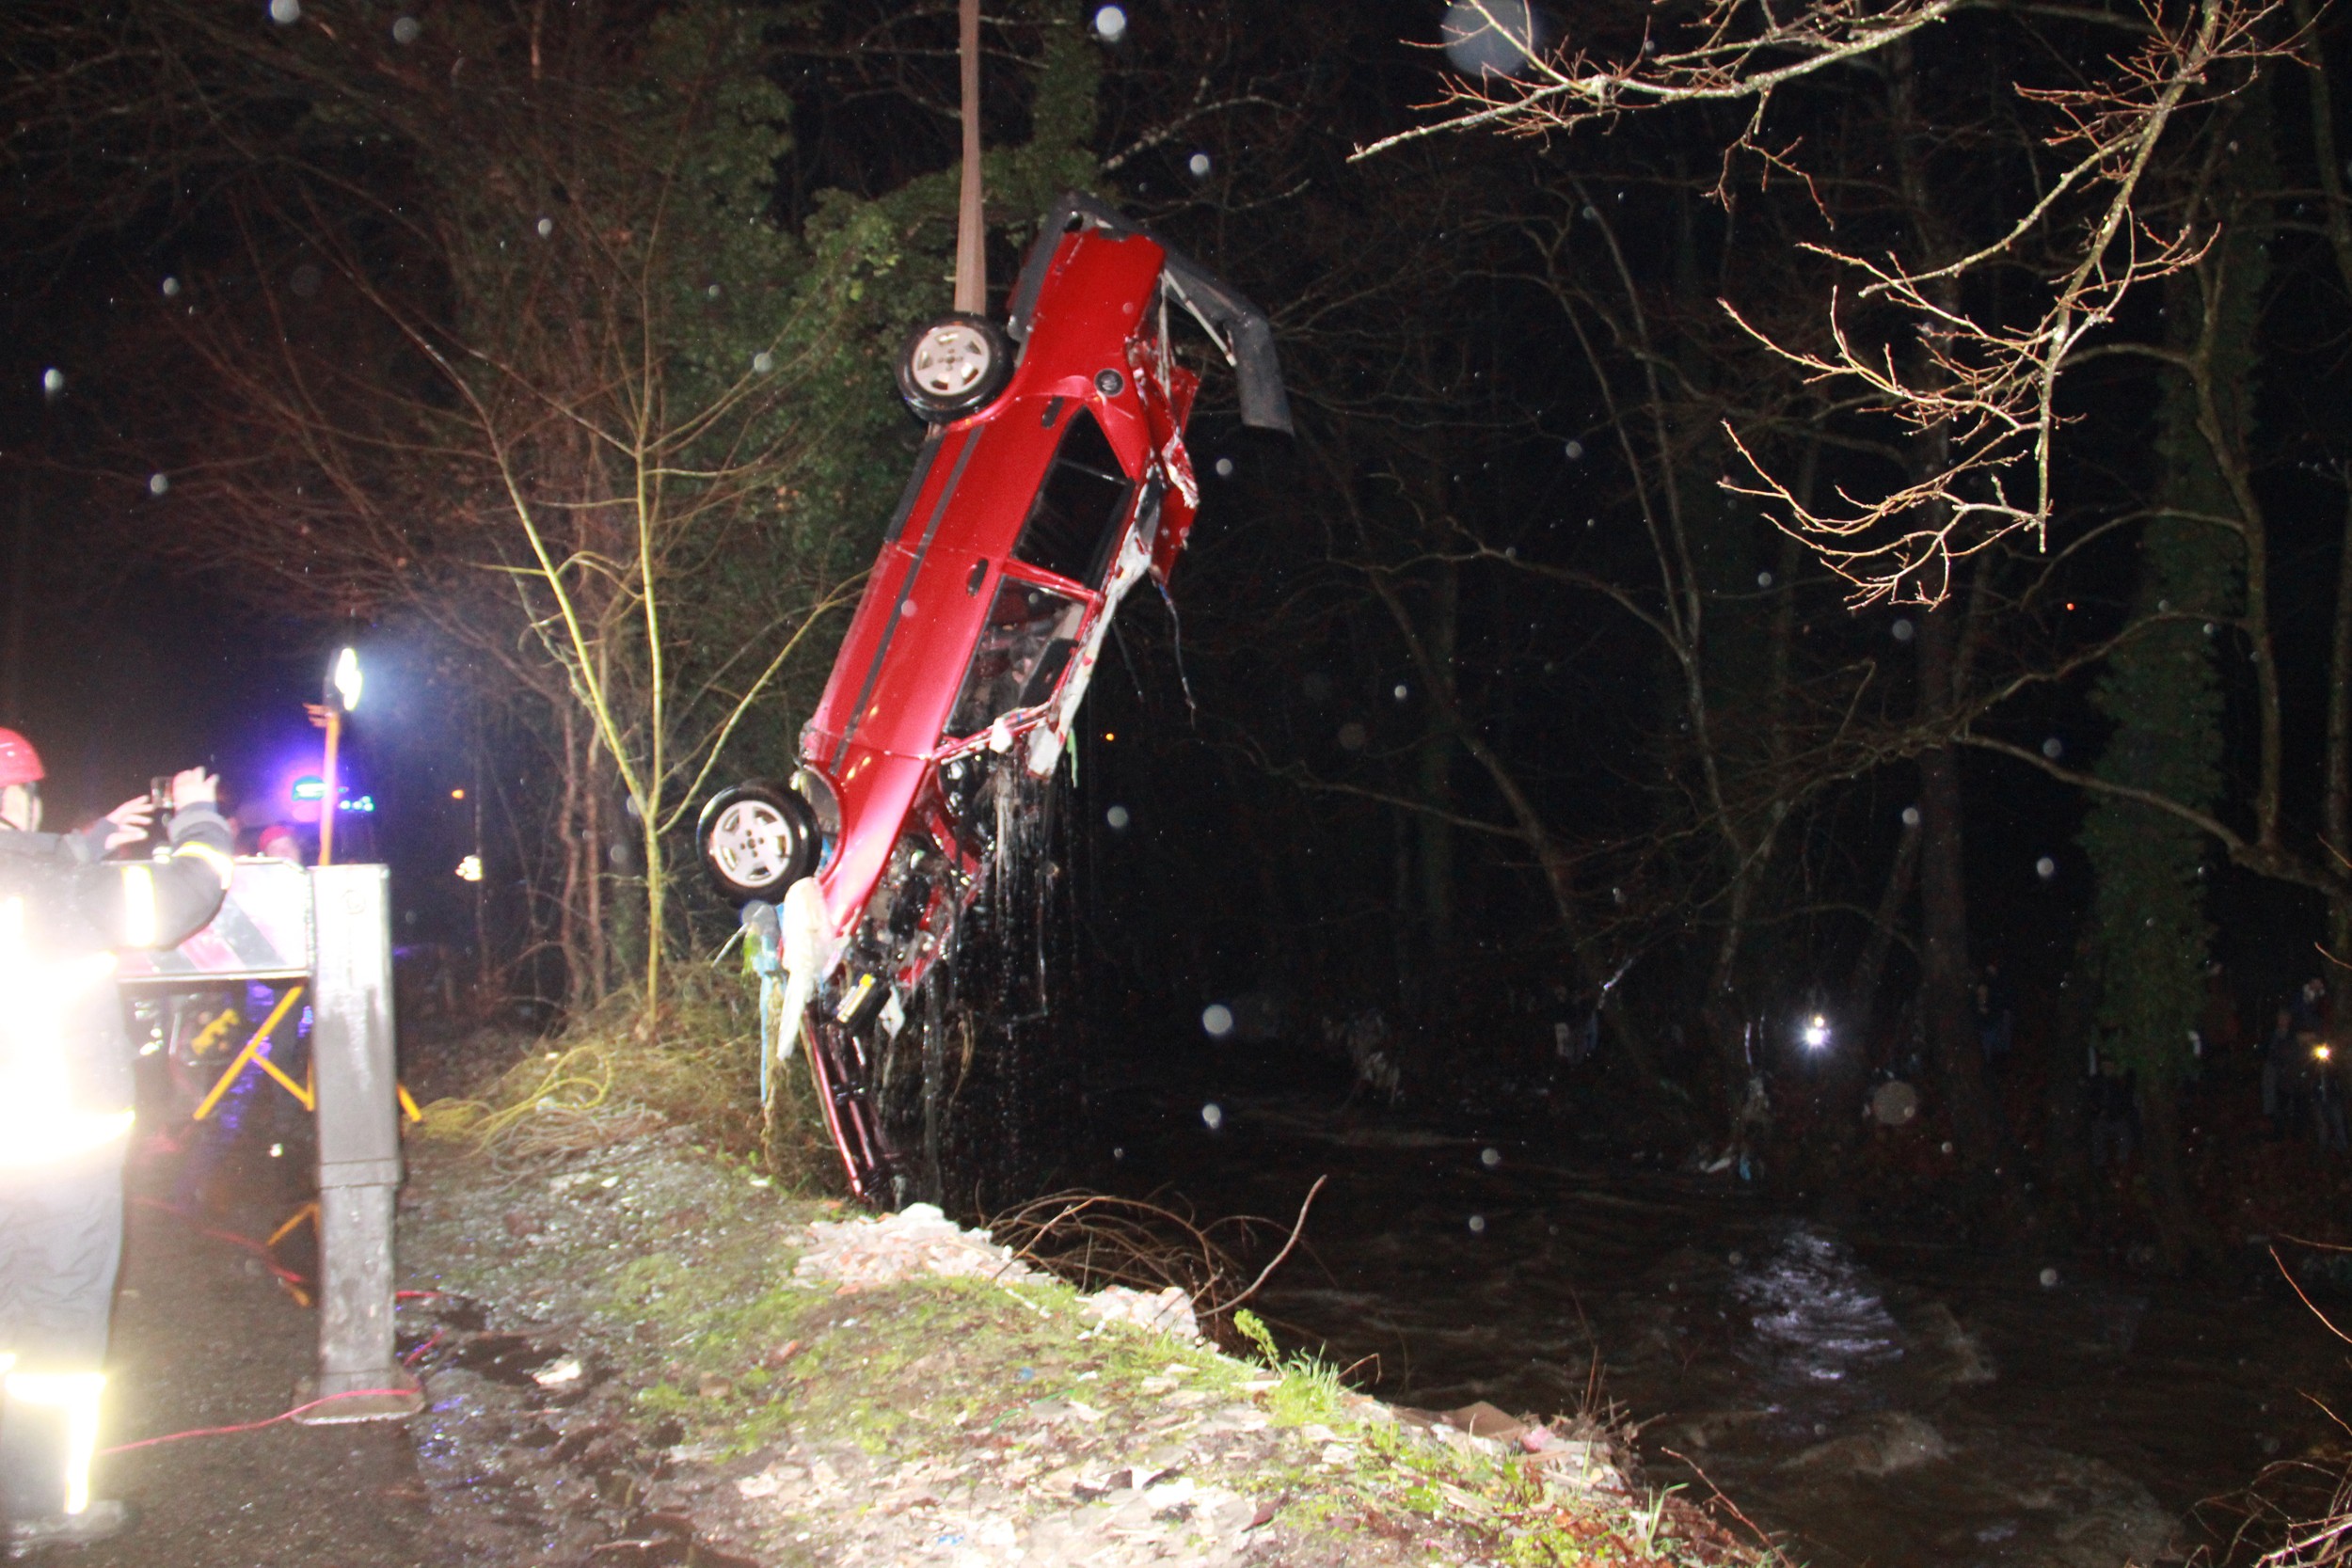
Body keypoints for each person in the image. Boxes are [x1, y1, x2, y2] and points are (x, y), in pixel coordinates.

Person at [0, 731, 232, 1553]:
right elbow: (187, 893)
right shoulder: (62, 887)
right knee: (55, 1326)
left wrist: (88, 841)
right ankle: (41, 1505)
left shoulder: (55, 875)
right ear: (17, 797)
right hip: (54, 1153)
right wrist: (199, 816)